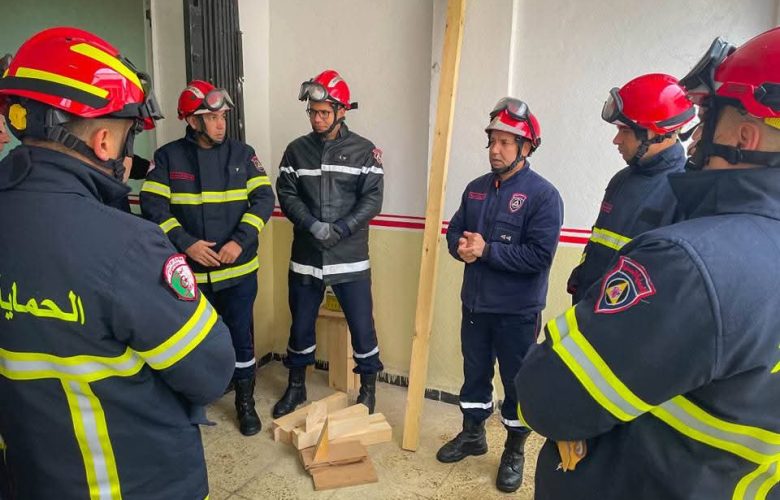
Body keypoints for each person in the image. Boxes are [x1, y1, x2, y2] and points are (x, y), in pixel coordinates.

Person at [515, 27, 780, 500]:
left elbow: (547, 396)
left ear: (745, 137)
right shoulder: (629, 185)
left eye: (709, 117)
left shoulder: (692, 261)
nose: (696, 137)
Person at [0, 27, 235, 500]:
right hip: (135, 483)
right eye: (130, 138)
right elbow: (210, 372)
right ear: (105, 142)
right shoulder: (128, 247)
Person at [437, 97, 563, 493]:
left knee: (516, 383)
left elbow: (540, 256)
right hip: (475, 306)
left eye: (506, 142)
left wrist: (487, 250)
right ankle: (473, 434)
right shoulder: (476, 189)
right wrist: (459, 246)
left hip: (516, 313)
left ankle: (514, 449)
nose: (495, 149)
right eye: (493, 140)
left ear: (526, 147)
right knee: (474, 374)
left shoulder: (543, 196)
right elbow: (454, 231)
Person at [140, 80, 274, 437]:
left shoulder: (243, 155)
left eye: (223, 117)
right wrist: (186, 244)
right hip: (191, 276)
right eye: (212, 118)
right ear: (192, 121)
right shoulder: (168, 158)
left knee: (241, 338)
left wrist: (239, 242)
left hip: (239, 272)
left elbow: (264, 200)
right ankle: (195, 401)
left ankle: (245, 402)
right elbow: (153, 206)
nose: (220, 124)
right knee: (192, 341)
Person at [273, 69, 384, 417]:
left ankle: (367, 392)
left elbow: (373, 199)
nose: (317, 119)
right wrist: (311, 224)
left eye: (324, 112)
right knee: (300, 325)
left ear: (342, 111)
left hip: (350, 257)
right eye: (312, 112)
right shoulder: (296, 151)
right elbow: (286, 193)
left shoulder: (365, 151)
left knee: (362, 327)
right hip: (306, 257)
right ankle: (296, 387)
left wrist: (342, 228)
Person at [566, 74, 694, 303]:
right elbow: (600, 239)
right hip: (588, 307)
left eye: (624, 131)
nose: (616, 140)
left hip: (629, 321)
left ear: (654, 132)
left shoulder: (685, 191)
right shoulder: (621, 180)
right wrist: (582, 274)